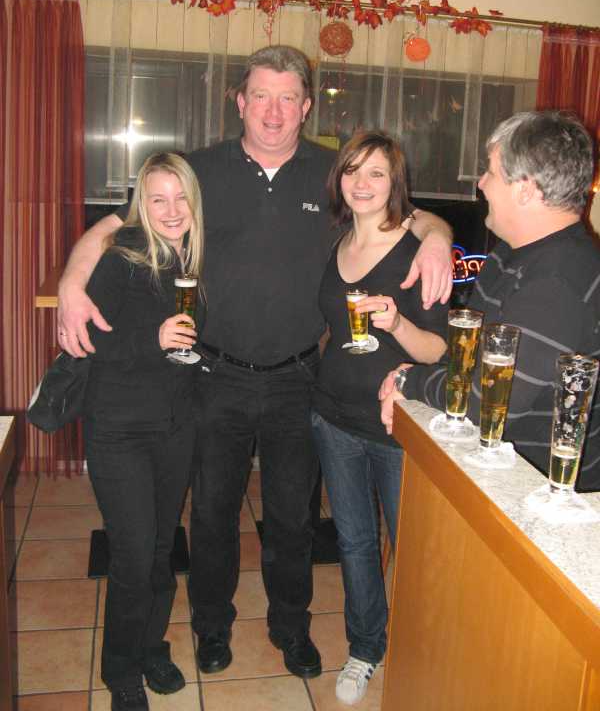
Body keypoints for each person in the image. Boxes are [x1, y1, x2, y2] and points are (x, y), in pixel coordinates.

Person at [56, 45, 454, 679]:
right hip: (214, 375)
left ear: (306, 106)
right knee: (212, 515)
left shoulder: (330, 172)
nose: (273, 112)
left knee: (293, 519)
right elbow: (118, 223)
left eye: (287, 98)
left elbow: (399, 204)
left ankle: (291, 628)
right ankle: (211, 626)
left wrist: (437, 237)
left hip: (299, 379)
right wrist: (73, 282)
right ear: (240, 102)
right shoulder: (200, 170)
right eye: (261, 97)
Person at [381, 110, 600, 492]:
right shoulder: (513, 254)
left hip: (540, 494)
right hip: (503, 478)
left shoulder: (559, 280)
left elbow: (491, 401)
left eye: (491, 172)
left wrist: (408, 379)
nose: (481, 183)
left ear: (525, 190)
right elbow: (463, 360)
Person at [311, 131, 448, 705]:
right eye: (353, 171)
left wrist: (396, 324)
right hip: (333, 419)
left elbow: (437, 351)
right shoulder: (337, 240)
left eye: (376, 173)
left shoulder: (418, 251)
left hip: (397, 429)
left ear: (396, 184)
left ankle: (425, 655)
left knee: (414, 551)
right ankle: (365, 648)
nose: (362, 183)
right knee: (355, 543)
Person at [83, 152, 203, 711]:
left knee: (159, 549)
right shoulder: (121, 261)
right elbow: (90, 342)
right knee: (132, 557)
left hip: (174, 427)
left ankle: (151, 645)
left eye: (180, 198)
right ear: (141, 205)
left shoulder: (193, 260)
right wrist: (152, 340)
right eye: (158, 199)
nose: (171, 210)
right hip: (120, 430)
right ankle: (120, 669)